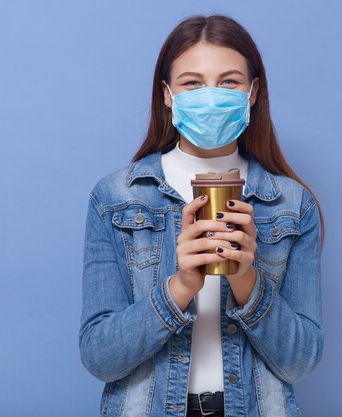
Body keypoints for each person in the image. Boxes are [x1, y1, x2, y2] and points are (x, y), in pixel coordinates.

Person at [79, 14, 324, 417]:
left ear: (253, 91)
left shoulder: (292, 205)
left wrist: (247, 278)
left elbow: (300, 362)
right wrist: (179, 286)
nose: (210, 96)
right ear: (167, 94)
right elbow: (99, 358)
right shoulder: (115, 198)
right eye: (192, 83)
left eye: (228, 82)